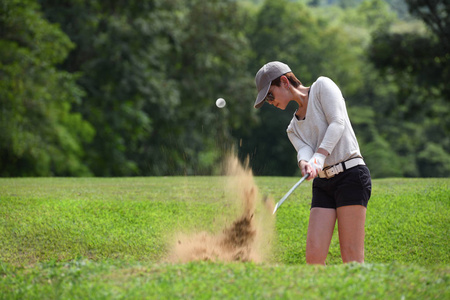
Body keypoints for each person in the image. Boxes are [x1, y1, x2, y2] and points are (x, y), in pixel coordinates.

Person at [254, 61, 372, 265]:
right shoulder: (292, 128)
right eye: (267, 100)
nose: (270, 102)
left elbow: (338, 122)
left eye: (270, 95)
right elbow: (304, 150)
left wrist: (319, 156)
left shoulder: (322, 87)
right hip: (323, 184)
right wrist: (305, 163)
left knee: (351, 258)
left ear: (284, 81)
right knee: (314, 259)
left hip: (351, 175)